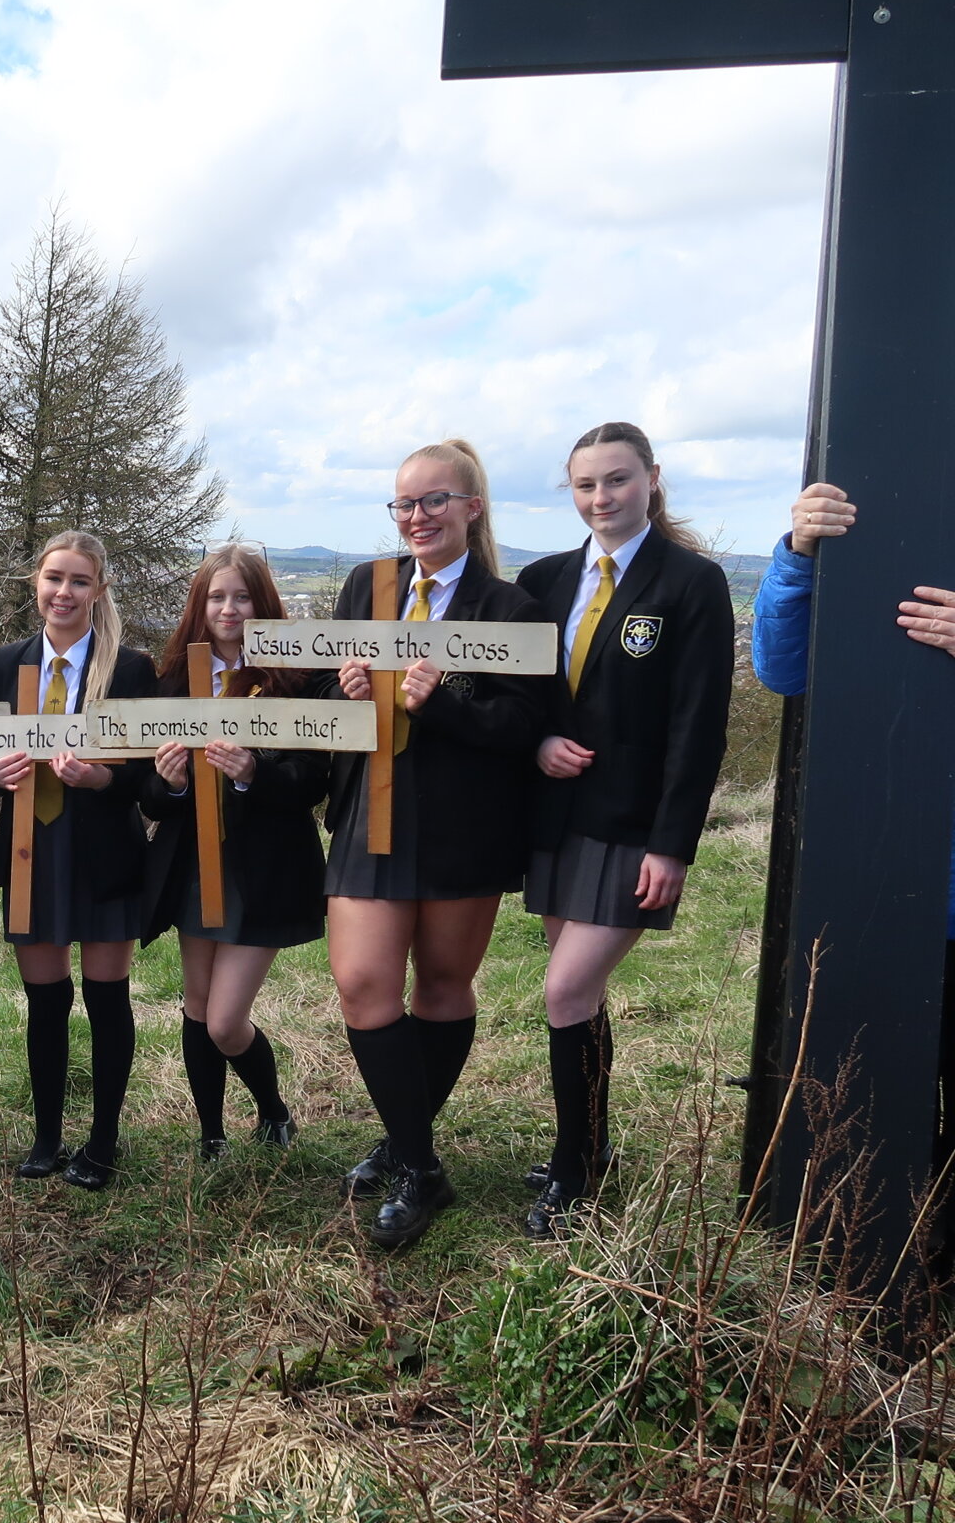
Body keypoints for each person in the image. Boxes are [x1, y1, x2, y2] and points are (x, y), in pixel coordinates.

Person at [322, 439, 544, 1248]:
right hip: (369, 815)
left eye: (434, 501)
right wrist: (345, 688)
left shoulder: (509, 611)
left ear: (472, 508)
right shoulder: (365, 586)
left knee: (443, 985)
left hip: (463, 824)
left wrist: (440, 700)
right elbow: (326, 696)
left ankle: (403, 1143)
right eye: (404, 505)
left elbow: (522, 728)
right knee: (362, 984)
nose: (417, 517)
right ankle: (422, 1167)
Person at [515, 423, 734, 1239]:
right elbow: (525, 700)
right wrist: (536, 742)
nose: (601, 498)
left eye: (617, 480)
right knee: (582, 992)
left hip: (634, 828)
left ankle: (573, 1173)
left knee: (565, 990)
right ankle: (596, 1144)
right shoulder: (542, 579)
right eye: (586, 485)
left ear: (651, 479)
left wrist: (673, 844)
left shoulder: (692, 583)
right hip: (557, 821)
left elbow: (698, 725)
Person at [752, 478, 955, 1260]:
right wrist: (799, 553)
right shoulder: (886, 520)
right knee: (881, 1089)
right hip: (883, 878)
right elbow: (783, 667)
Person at [0, 531, 158, 1191]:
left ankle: (105, 1139)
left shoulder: (131, 670)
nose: (64, 592)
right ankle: (47, 1137)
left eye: (79, 581)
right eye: (54, 578)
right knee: (46, 1001)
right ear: (36, 583)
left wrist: (102, 780)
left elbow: (148, 783)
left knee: (106, 1000)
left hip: (105, 851)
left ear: (99, 590)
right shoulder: (5, 663)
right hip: (31, 852)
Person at [141, 545, 327, 1160]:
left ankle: (273, 1110)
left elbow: (315, 779)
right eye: (217, 596)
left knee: (225, 1020)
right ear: (200, 605)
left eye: (241, 596)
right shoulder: (170, 679)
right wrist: (168, 783)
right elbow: (147, 792)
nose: (228, 608)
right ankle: (211, 1135)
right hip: (195, 863)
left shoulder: (293, 678)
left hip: (265, 865)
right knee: (197, 1008)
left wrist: (252, 772)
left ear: (263, 605)